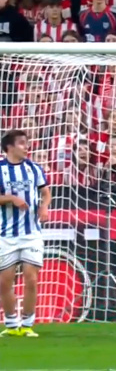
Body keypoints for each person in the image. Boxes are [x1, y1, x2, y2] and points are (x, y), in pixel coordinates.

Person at [0, 130, 51, 337]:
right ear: (9, 147)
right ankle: (12, 325)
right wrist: (11, 199)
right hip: (6, 235)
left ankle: (28, 324)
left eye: (27, 142)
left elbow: (45, 192)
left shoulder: (33, 168)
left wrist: (44, 207)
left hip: (31, 234)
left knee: (31, 279)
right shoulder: (0, 169)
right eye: (22, 143)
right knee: (5, 282)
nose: (27, 146)